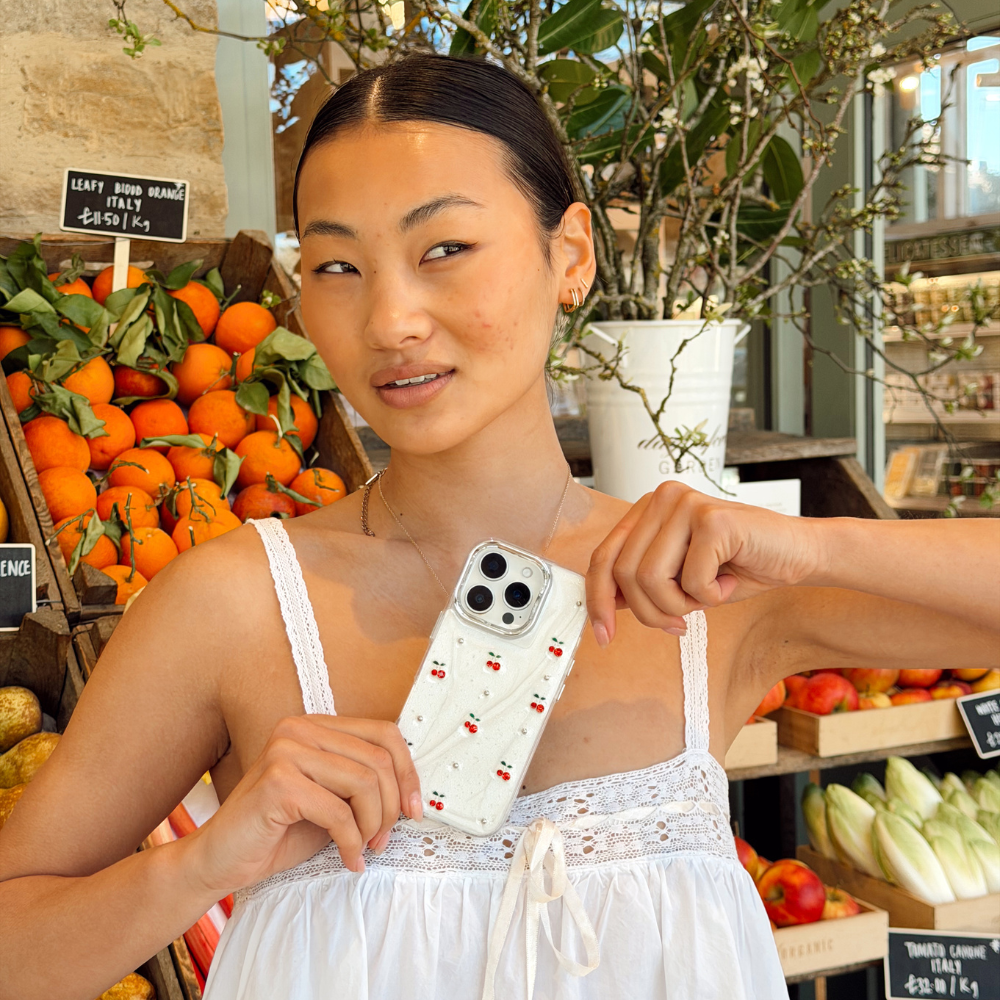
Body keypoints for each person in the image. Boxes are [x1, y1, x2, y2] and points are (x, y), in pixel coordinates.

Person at [0, 54, 997, 1000]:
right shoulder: (236, 604)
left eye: (444, 249)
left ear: (570, 255)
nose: (390, 320)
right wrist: (204, 865)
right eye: (337, 265)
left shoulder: (707, 593)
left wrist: (819, 543)